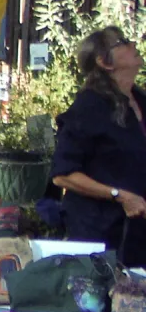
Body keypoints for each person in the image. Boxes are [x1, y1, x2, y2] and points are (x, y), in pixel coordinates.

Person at [50, 26, 146, 265]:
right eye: (122, 42)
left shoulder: (140, 100)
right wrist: (119, 196)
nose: (132, 44)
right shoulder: (89, 107)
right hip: (100, 234)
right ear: (105, 62)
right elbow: (63, 176)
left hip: (138, 236)